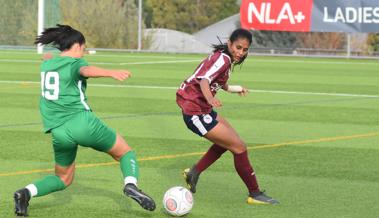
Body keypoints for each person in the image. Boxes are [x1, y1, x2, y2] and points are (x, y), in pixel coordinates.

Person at [13, 24, 156, 217]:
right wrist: (111, 72)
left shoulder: (47, 64)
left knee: (63, 178)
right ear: (77, 46)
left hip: (58, 131)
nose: (84, 52)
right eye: (84, 47)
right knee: (125, 153)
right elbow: (86, 70)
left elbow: (48, 58)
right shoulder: (76, 63)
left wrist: (47, 57)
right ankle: (130, 184)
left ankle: (25, 193)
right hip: (82, 124)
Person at [176, 28, 279, 205]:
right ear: (229, 44)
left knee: (229, 143)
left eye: (245, 50)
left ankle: (193, 173)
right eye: (238, 47)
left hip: (202, 108)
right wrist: (210, 98)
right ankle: (254, 193)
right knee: (239, 147)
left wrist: (236, 89)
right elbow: (205, 81)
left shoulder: (224, 57)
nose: (241, 52)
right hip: (195, 112)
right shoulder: (223, 59)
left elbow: (219, 83)